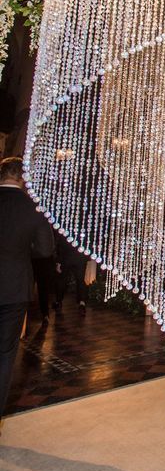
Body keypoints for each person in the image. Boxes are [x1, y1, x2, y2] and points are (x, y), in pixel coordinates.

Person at [0, 156, 55, 422]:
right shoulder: (32, 207)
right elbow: (45, 249)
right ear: (22, 178)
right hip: (13, 288)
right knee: (5, 353)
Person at [54, 233, 89, 316]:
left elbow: (61, 244)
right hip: (80, 257)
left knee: (62, 280)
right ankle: (82, 303)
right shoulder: (83, 223)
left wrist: (59, 261)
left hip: (66, 256)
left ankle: (59, 302)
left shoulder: (67, 224)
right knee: (80, 280)